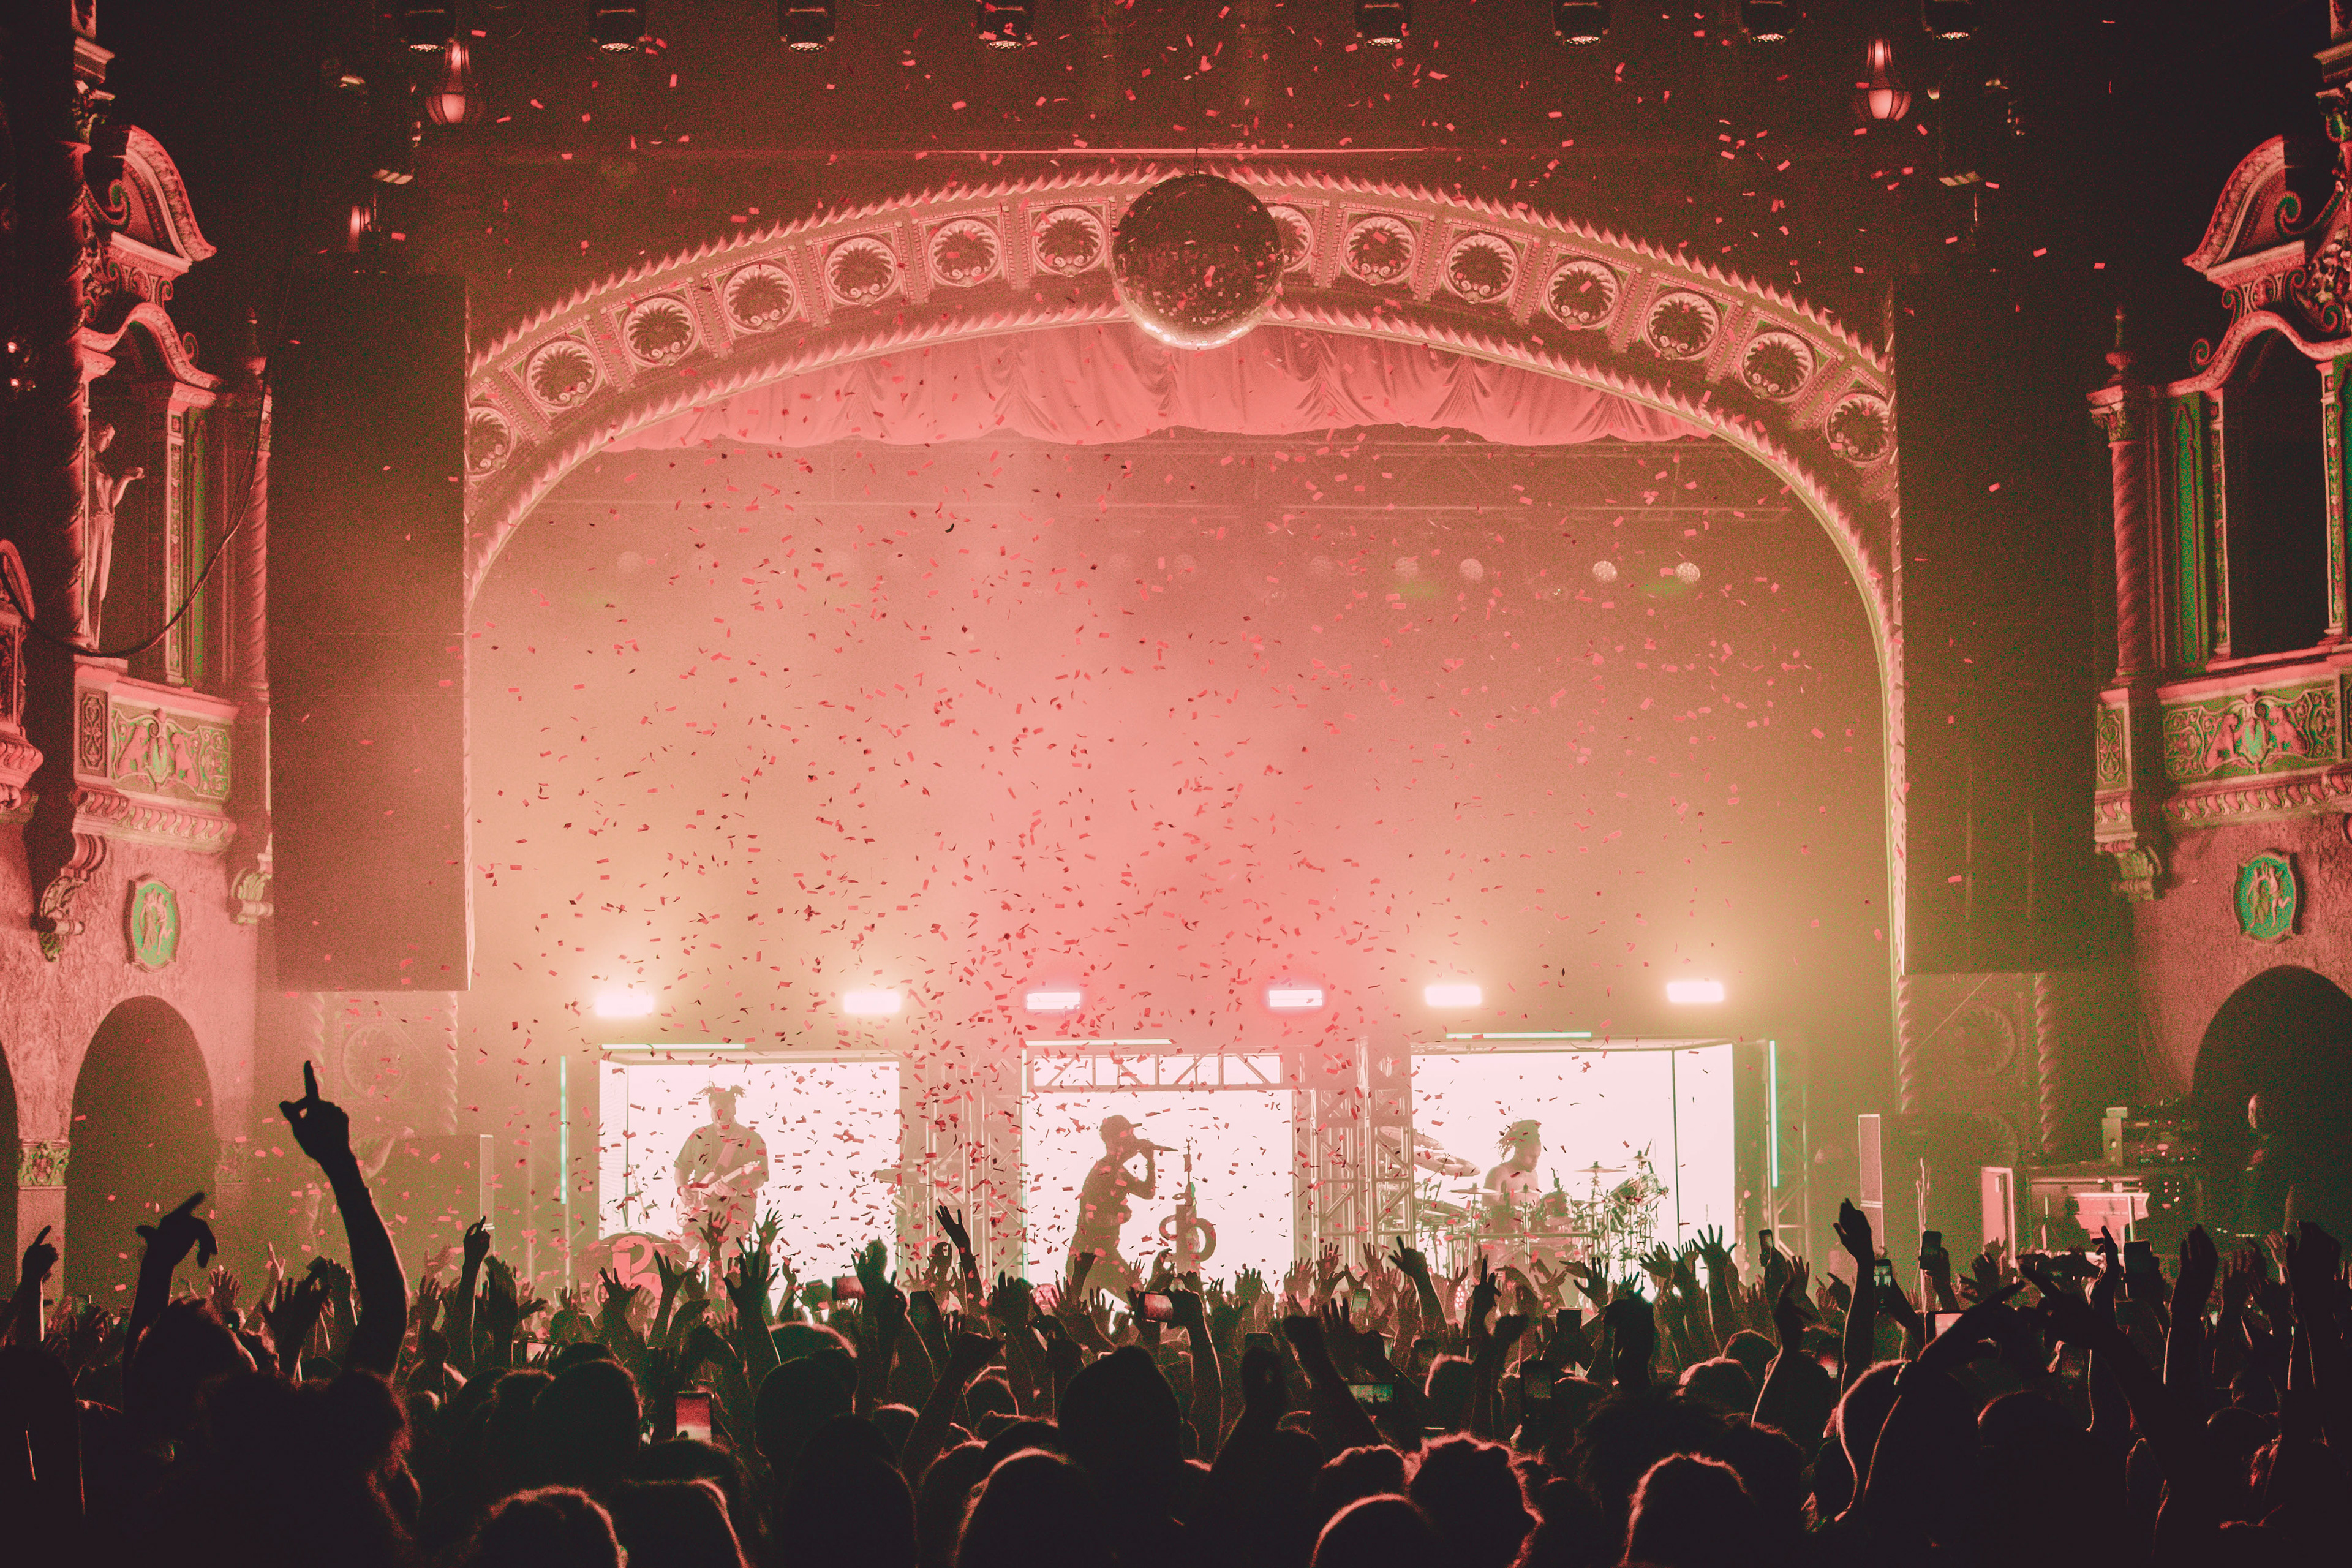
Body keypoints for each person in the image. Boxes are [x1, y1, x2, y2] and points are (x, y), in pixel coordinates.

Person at [675, 1085, 769, 1272]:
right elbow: (681, 1167)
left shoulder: (751, 1138)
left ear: (734, 1109)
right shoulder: (699, 1135)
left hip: (734, 1214)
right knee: (689, 1263)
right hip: (698, 1212)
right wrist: (682, 1189)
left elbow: (760, 1178)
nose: (719, 1114)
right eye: (715, 1109)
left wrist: (735, 1190)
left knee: (730, 1268)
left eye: (724, 1109)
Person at [1071, 1114, 1158, 1296]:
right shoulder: (1103, 1173)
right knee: (1142, 1302)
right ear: (1112, 1142)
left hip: (1096, 1256)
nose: (1133, 1141)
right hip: (1091, 1257)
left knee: (1140, 1301)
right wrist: (1123, 1216)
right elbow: (1093, 1218)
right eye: (1127, 1136)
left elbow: (1148, 1193)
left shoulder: (1117, 1171)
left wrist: (1150, 1161)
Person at [1480, 1120, 1543, 1232]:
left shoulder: (1534, 1175)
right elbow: (1488, 1210)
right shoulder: (1498, 1173)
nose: (1536, 1161)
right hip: (1504, 1236)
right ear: (1518, 1151)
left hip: (1530, 1236)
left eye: (1538, 1157)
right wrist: (1515, 1212)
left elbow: (1537, 1206)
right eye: (1531, 1156)